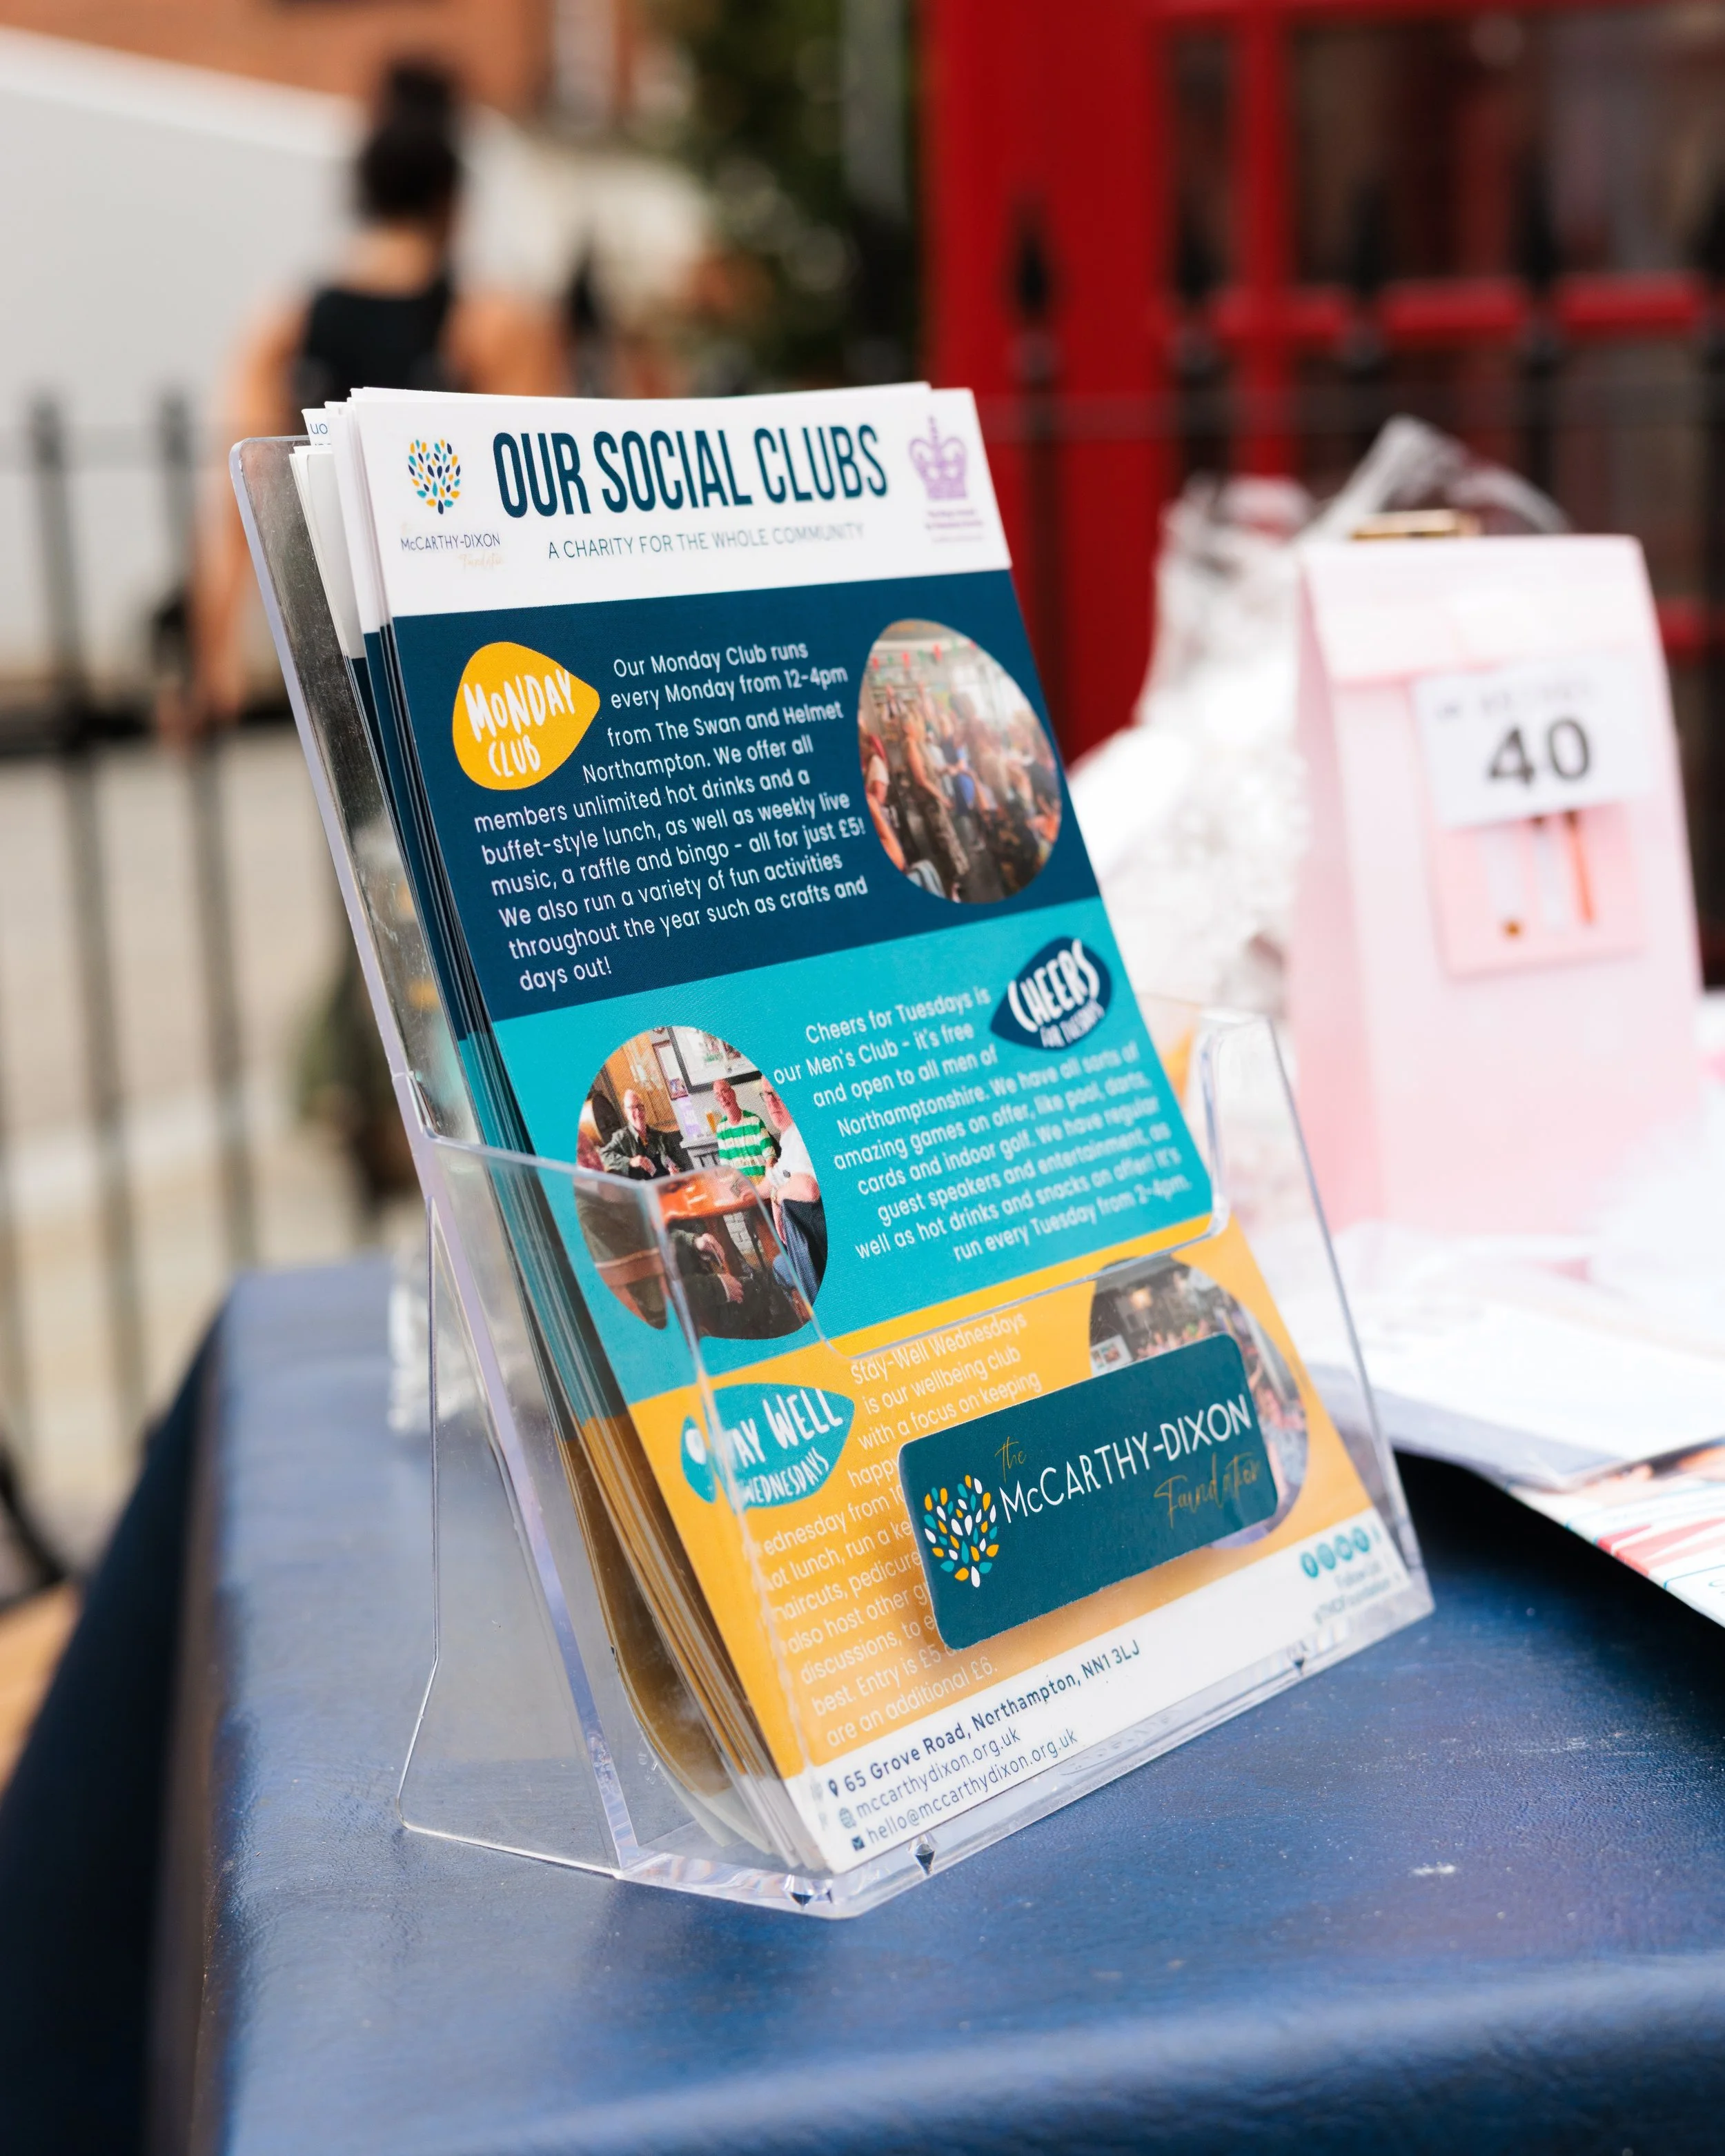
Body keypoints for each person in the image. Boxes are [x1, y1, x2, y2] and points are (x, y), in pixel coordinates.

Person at [188, 61, 562, 733]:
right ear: (453, 200)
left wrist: (213, 654)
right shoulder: (490, 321)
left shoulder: (287, 318)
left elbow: (236, 490)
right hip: (456, 625)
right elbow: (534, 494)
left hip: (337, 626)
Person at [758, 1081, 826, 1304]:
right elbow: (774, 1179)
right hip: (815, 1253)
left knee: (777, 1267)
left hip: (820, 1257)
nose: (771, 1102)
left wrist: (778, 1197)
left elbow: (808, 1188)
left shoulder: (800, 1136)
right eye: (766, 1095)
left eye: (777, 1093)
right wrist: (741, 1191)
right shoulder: (789, 1138)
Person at [599, 1089, 691, 1182]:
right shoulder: (622, 1138)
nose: (638, 1112)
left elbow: (680, 1165)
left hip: (668, 1186)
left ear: (645, 1109)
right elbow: (603, 1156)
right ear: (626, 1113)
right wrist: (630, 1162)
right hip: (644, 1191)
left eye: (640, 1107)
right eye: (632, 1108)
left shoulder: (661, 1137)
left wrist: (677, 1172)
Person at [710, 1077, 775, 1183]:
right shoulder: (721, 1129)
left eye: (724, 1092)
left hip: (764, 1184)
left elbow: (771, 1158)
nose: (722, 1098)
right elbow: (726, 1169)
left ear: (733, 1093)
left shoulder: (755, 1121)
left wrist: (766, 1186)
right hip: (743, 1189)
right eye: (718, 1095)